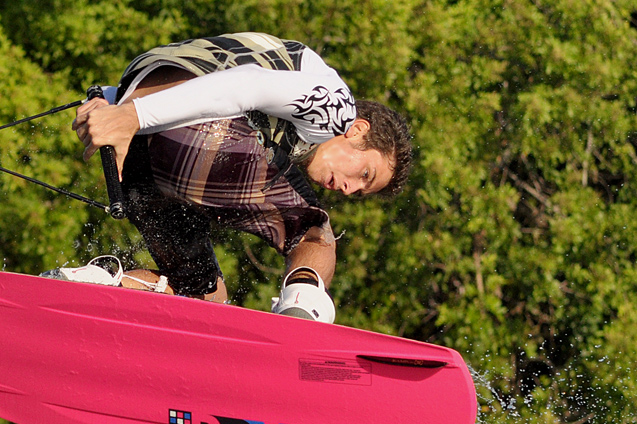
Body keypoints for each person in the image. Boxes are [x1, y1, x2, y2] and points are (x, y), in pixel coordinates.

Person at [59, 33, 412, 323]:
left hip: (135, 148)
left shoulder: (294, 130)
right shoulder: (337, 108)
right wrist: (132, 116)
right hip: (167, 128)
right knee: (316, 235)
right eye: (365, 173)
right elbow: (247, 84)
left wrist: (115, 105)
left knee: (202, 296)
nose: (351, 189)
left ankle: (96, 285)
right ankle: (302, 316)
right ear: (358, 131)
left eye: (362, 191)